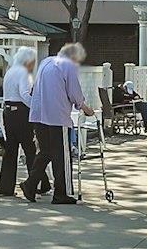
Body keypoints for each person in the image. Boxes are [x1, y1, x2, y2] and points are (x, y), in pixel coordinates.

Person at [26, 42, 95, 204]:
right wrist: (84, 107)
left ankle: (30, 185)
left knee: (45, 152)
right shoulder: (68, 66)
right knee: (62, 156)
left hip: (39, 115)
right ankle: (61, 193)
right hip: (56, 117)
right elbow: (74, 92)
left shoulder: (45, 62)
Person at [0, 47, 39, 199]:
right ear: (28, 61)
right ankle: (36, 184)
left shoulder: (10, 71)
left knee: (10, 150)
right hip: (21, 112)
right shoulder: (23, 73)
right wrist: (36, 107)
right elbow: (25, 95)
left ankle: (5, 187)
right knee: (29, 149)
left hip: (8, 112)